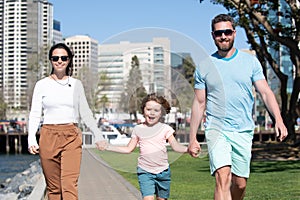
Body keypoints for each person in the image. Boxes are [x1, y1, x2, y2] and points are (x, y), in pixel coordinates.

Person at [188, 14, 288, 200]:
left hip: (243, 130)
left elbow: (265, 92)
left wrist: (279, 120)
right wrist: (192, 137)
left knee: (240, 184)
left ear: (234, 33)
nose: (223, 36)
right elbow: (199, 102)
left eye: (227, 32)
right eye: (219, 33)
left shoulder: (250, 62)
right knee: (222, 178)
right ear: (213, 35)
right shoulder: (204, 65)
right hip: (216, 128)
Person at [27, 43, 105, 200]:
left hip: (71, 136)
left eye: (64, 58)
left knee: (69, 185)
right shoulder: (41, 85)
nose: (59, 61)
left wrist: (98, 135)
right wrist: (31, 138)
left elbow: (85, 112)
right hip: (48, 136)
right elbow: (35, 113)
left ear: (69, 60)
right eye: (55, 58)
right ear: (50, 60)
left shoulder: (76, 84)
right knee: (54, 189)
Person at [96, 93, 188, 200]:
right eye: (148, 109)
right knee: (148, 198)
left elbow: (175, 146)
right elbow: (128, 148)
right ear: (143, 110)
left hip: (163, 171)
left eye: (156, 110)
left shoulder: (165, 129)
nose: (152, 113)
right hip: (145, 171)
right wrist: (108, 147)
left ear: (161, 112)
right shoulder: (138, 129)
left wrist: (188, 149)